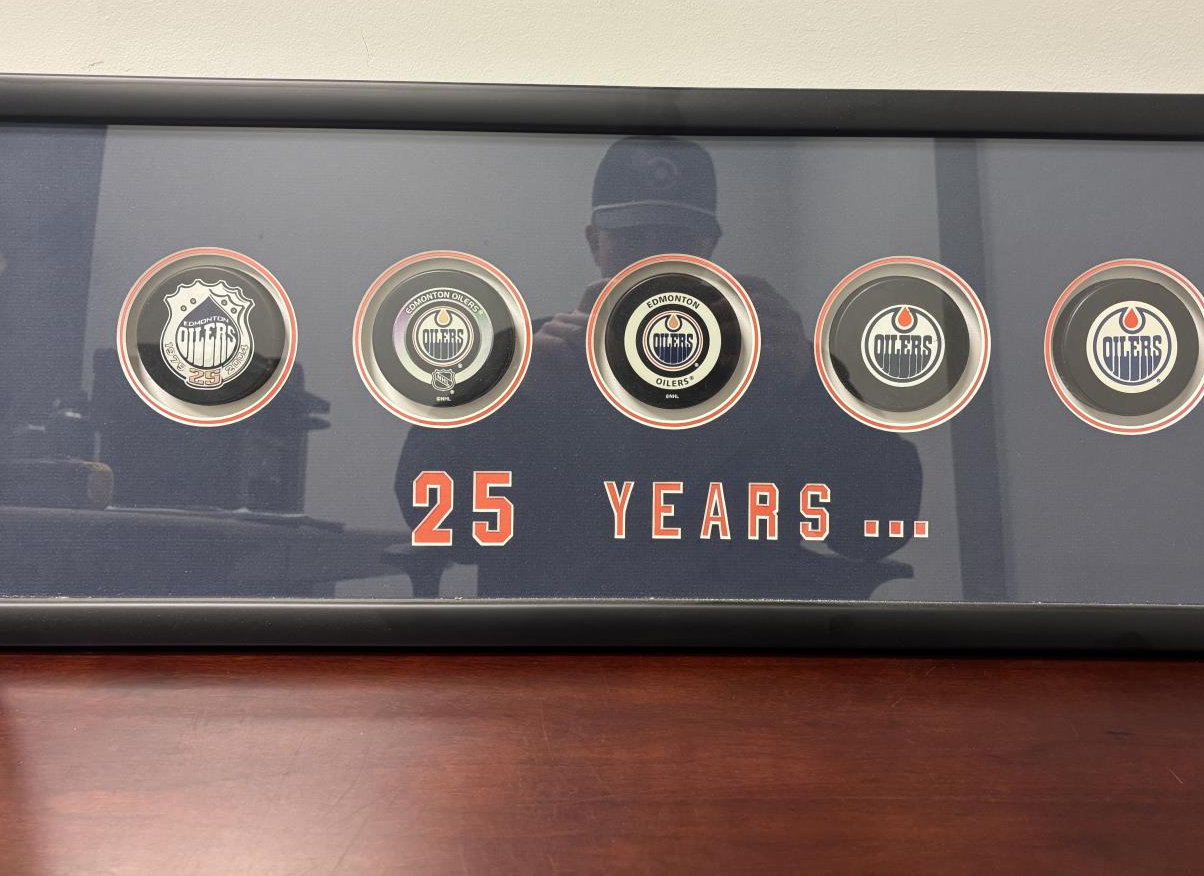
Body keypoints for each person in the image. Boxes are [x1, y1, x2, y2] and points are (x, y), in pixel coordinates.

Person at [395, 136, 921, 598]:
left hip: (733, 655)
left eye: (676, 240)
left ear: (710, 247)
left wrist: (810, 386)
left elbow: (876, 529)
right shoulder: (524, 359)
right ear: (595, 242)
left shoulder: (776, 358)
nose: (653, 258)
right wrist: (518, 403)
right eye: (632, 237)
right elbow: (435, 520)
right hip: (562, 650)